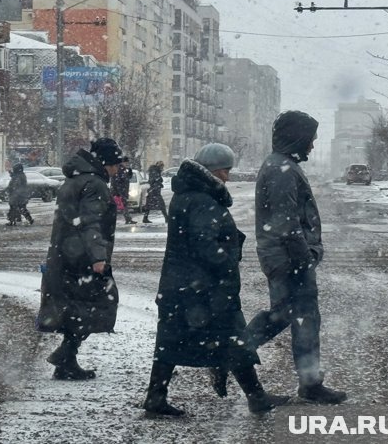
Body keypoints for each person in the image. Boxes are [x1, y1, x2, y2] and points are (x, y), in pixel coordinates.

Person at [143, 143, 289, 416]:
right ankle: (256, 397)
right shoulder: (202, 199)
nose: (228, 177)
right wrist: (227, 262)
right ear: (213, 171)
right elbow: (204, 243)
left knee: (172, 343)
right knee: (233, 339)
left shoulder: (187, 194)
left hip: (182, 286)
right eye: (225, 171)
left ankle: (156, 396)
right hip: (204, 289)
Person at [242, 110, 347, 405]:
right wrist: (305, 258)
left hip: (287, 257)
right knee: (293, 317)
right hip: (289, 259)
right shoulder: (280, 170)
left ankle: (309, 382)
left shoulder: (283, 165)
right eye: (310, 138)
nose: (313, 144)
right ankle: (233, 352)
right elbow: (287, 224)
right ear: (297, 137)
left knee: (298, 317)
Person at [36, 138, 123, 380]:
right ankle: (65, 356)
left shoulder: (74, 179)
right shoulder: (94, 184)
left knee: (75, 307)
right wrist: (98, 256)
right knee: (97, 305)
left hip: (66, 254)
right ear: (105, 162)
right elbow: (90, 222)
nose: (117, 170)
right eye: (115, 164)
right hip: (82, 257)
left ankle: (66, 358)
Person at [111, 157, 136, 224]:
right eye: (126, 162)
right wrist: (119, 192)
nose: (127, 164)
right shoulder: (119, 169)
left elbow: (126, 179)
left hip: (122, 191)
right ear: (122, 162)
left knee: (122, 206)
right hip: (119, 192)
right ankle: (127, 219)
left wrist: (129, 174)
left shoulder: (123, 169)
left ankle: (128, 219)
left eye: (128, 163)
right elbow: (117, 181)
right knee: (117, 206)